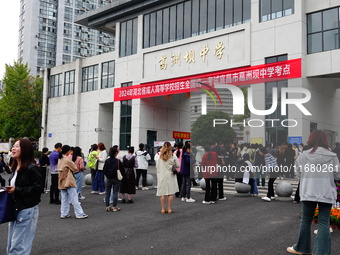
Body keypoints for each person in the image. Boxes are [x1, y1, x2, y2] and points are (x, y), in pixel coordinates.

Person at [287, 130, 340, 255]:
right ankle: (321, 252)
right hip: (326, 191)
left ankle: (302, 248)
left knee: (306, 220)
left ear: (310, 140)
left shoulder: (303, 155)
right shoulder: (332, 156)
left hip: (308, 191)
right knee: (324, 221)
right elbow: (337, 175)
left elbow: (298, 174)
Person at [6, 139, 43, 255]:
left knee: (18, 247)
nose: (13, 148)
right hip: (15, 208)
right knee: (11, 246)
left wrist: (16, 190)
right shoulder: (15, 167)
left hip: (26, 210)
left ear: (25, 150)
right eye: (13, 146)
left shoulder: (32, 168)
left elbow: (38, 189)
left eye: (17, 146)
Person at [58, 145, 88, 219]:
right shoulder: (67, 160)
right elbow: (74, 168)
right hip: (69, 180)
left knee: (64, 199)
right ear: (68, 151)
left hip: (62, 180)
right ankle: (79, 213)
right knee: (74, 198)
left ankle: (64, 213)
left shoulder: (60, 159)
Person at [156, 142, 179, 213]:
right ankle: (169, 209)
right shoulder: (173, 155)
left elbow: (157, 166)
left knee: (162, 193)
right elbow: (177, 165)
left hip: (161, 175)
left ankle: (163, 209)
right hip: (170, 175)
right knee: (170, 193)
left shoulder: (158, 155)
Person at [103, 147, 124, 212]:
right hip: (116, 178)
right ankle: (114, 206)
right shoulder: (118, 161)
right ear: (115, 153)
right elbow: (122, 170)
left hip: (109, 178)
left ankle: (107, 206)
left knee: (107, 192)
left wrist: (107, 175)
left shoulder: (107, 161)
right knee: (115, 192)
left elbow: (104, 170)